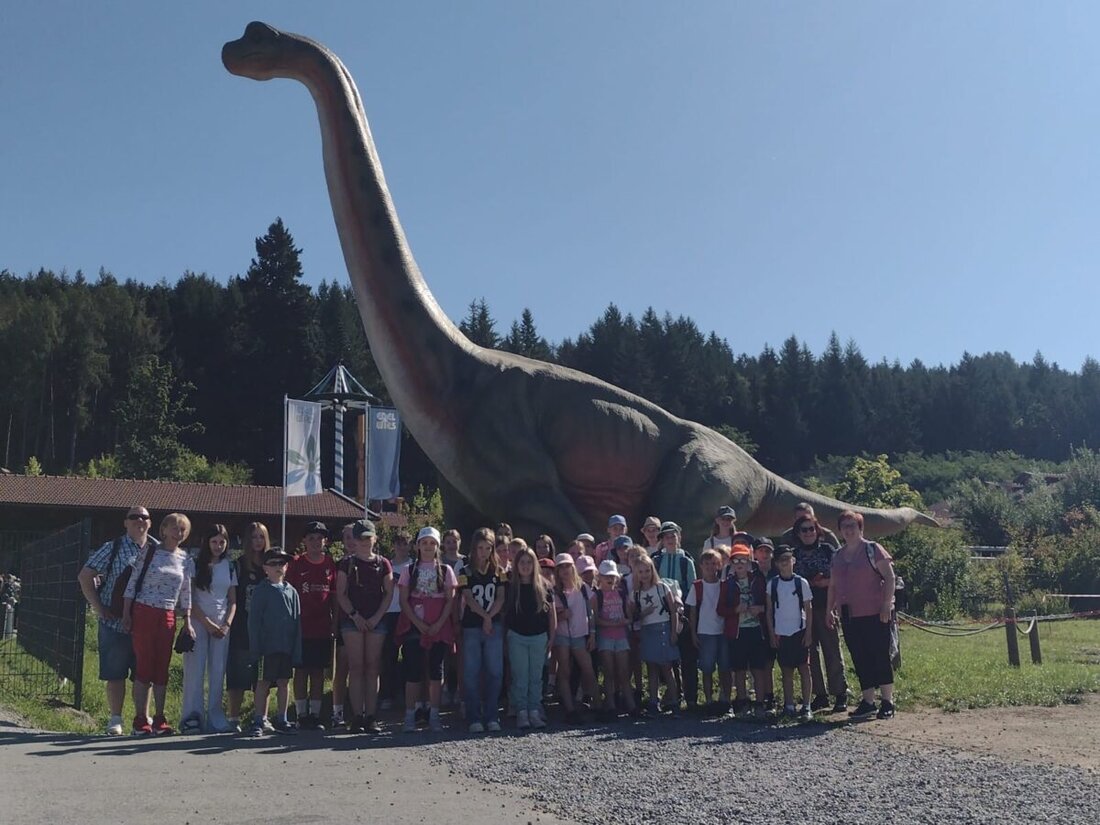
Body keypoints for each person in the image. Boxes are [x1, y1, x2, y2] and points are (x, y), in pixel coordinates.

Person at [77, 505, 158, 735]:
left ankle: (142, 718)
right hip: (114, 623)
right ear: (125, 522)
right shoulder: (112, 548)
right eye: (134, 517)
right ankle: (115, 719)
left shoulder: (158, 550)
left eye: (144, 517)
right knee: (115, 673)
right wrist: (99, 608)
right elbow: (85, 575)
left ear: (150, 523)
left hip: (146, 623)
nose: (139, 521)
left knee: (145, 675)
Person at [122, 512, 193, 736]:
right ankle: (140, 719)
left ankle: (160, 718)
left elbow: (186, 592)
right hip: (144, 611)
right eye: (174, 528)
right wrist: (126, 612)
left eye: (183, 529)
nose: (178, 533)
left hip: (168, 614)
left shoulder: (186, 559)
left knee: (162, 667)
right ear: (163, 530)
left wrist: (187, 621)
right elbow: (133, 583)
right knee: (144, 665)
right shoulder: (150, 552)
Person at [827, 511, 897, 720]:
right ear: (840, 530)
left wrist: (886, 605)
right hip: (849, 615)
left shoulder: (873, 549)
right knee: (859, 657)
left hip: (876, 612)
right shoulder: (837, 556)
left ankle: (887, 701)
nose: (849, 529)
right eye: (845, 526)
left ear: (860, 528)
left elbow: (890, 577)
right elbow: (832, 585)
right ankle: (868, 701)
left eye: (853, 525)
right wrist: (829, 609)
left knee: (879, 655)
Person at [397, 526, 458, 732]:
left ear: (438, 546)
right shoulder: (409, 570)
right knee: (413, 671)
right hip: (415, 625)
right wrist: (418, 622)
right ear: (418, 546)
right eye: (424, 543)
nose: (428, 547)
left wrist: (440, 623)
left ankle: (434, 715)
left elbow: (450, 600)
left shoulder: (446, 571)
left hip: (438, 625)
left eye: (432, 543)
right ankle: (410, 715)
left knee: (435, 671)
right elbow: (404, 600)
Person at [335, 519, 392, 734]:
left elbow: (388, 593)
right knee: (356, 668)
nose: (365, 542)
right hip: (352, 621)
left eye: (369, 538)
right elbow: (341, 593)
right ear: (355, 541)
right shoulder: (346, 563)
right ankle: (357, 715)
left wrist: (377, 617)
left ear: (375, 539)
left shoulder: (383, 563)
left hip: (376, 620)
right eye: (361, 538)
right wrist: (354, 615)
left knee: (372, 667)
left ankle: (371, 715)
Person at [180, 524, 237, 733]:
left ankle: (215, 716)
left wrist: (226, 624)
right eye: (214, 541)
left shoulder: (229, 566)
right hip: (198, 621)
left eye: (222, 542)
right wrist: (207, 623)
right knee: (195, 669)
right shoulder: (195, 564)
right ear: (207, 542)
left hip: (222, 625)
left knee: (218, 670)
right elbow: (190, 598)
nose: (218, 546)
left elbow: (232, 600)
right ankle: (192, 716)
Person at [793, 513, 849, 713]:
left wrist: (825, 583)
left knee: (832, 650)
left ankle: (840, 692)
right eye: (804, 530)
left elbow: (840, 576)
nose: (808, 533)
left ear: (817, 531)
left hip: (827, 606)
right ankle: (820, 694)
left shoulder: (828, 551)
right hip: (804, 609)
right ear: (798, 534)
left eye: (811, 529)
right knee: (810, 654)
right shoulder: (794, 555)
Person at [286, 521, 337, 730]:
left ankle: (315, 715)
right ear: (304, 541)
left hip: (323, 627)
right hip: (301, 627)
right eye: (312, 538)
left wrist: (335, 622)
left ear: (325, 541)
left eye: (320, 538)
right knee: (301, 671)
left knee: (317, 672)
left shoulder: (330, 564)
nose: (316, 542)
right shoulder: (296, 563)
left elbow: (334, 597)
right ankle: (301, 714)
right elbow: (288, 594)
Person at [248, 547, 302, 736]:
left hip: (286, 647)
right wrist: (255, 648)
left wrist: (296, 648)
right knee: (263, 683)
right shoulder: (261, 591)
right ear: (265, 568)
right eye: (274, 563)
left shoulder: (292, 592)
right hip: (266, 648)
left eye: (282, 563)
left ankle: (282, 717)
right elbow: (253, 622)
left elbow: (297, 620)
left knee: (283, 682)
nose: (279, 567)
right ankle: (259, 718)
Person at [458, 527, 506, 733]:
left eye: (488, 548)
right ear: (474, 548)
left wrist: (490, 618)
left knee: (495, 671)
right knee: (471, 672)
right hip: (472, 625)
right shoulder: (464, 571)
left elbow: (501, 598)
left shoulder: (500, 572)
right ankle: (474, 716)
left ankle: (492, 715)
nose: (484, 552)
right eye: (480, 548)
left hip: (493, 627)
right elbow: (468, 598)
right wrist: (485, 617)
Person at [505, 544, 556, 729]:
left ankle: (534, 710)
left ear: (535, 564)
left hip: (539, 636)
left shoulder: (545, 586)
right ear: (516, 564)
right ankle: (521, 711)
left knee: (536, 677)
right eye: (522, 562)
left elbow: (551, 615)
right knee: (520, 676)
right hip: (517, 637)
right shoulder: (510, 585)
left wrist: (551, 637)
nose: (525, 566)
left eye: (529, 562)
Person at [717, 543, 768, 719]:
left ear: (749, 562)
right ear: (731, 563)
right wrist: (735, 610)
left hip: (756, 629)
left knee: (758, 668)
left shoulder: (758, 580)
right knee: (739, 669)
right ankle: (742, 702)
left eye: (743, 560)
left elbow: (769, 604)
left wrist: (760, 608)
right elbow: (720, 609)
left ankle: (760, 704)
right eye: (736, 560)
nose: (739, 563)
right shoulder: (727, 584)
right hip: (737, 632)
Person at [226, 522, 268, 731]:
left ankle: (262, 717)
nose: (258, 541)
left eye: (261, 537)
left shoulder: (271, 565)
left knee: (263, 678)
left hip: (265, 630)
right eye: (254, 537)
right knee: (238, 677)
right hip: (242, 628)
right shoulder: (238, 565)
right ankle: (233, 719)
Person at [652, 521, 698, 711]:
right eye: (667, 536)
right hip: (661, 614)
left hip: (682, 613)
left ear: (679, 537)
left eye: (674, 535)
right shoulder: (656, 560)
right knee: (667, 657)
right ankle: (673, 694)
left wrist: (681, 606)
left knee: (687, 656)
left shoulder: (686, 560)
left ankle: (692, 698)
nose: (671, 539)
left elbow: (692, 586)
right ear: (662, 539)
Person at [765, 547, 813, 721]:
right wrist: (771, 634)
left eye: (788, 558)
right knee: (786, 670)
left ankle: (807, 706)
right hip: (781, 633)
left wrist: (809, 633)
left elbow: (809, 609)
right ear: (776, 564)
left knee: (804, 669)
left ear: (793, 560)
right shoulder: (773, 584)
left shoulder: (802, 583)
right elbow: (769, 611)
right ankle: (789, 705)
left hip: (799, 631)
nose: (785, 562)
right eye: (781, 560)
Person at [629, 553, 680, 715]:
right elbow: (633, 617)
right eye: (641, 572)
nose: (644, 575)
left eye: (647, 571)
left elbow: (673, 611)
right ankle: (653, 701)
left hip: (663, 628)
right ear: (636, 574)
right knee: (651, 668)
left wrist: (674, 632)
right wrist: (643, 613)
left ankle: (674, 701)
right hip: (647, 630)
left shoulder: (662, 588)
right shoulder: (635, 594)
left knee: (667, 668)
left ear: (652, 570)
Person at [551, 553, 597, 723]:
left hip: (580, 634)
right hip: (562, 635)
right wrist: (562, 616)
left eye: (567, 566)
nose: (564, 570)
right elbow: (552, 615)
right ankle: (570, 709)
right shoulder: (554, 590)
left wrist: (593, 633)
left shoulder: (583, 588)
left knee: (588, 669)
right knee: (564, 670)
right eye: (561, 567)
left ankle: (597, 705)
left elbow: (592, 612)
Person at [686, 549, 729, 714]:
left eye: (714, 563)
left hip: (723, 631)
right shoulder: (697, 586)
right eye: (707, 564)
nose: (710, 567)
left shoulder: (724, 585)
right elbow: (693, 611)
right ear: (701, 566)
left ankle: (725, 698)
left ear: (719, 565)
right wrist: (693, 633)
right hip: (705, 632)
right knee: (707, 668)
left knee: (725, 666)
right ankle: (709, 700)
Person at [592, 560, 635, 719]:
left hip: (621, 636)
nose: (610, 579)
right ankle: (609, 704)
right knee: (608, 672)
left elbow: (629, 616)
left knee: (623, 672)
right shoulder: (597, 596)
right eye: (606, 576)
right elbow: (595, 619)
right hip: (605, 638)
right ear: (600, 577)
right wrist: (611, 623)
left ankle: (630, 704)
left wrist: (624, 621)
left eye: (612, 576)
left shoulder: (622, 594)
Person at [379, 530, 412, 711]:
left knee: (409, 656)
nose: (401, 547)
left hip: (407, 612)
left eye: (405, 543)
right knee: (388, 656)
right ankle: (386, 694)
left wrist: (399, 581)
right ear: (393, 546)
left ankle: (406, 694)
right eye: (398, 543)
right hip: (389, 612)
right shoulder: (386, 565)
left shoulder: (413, 566)